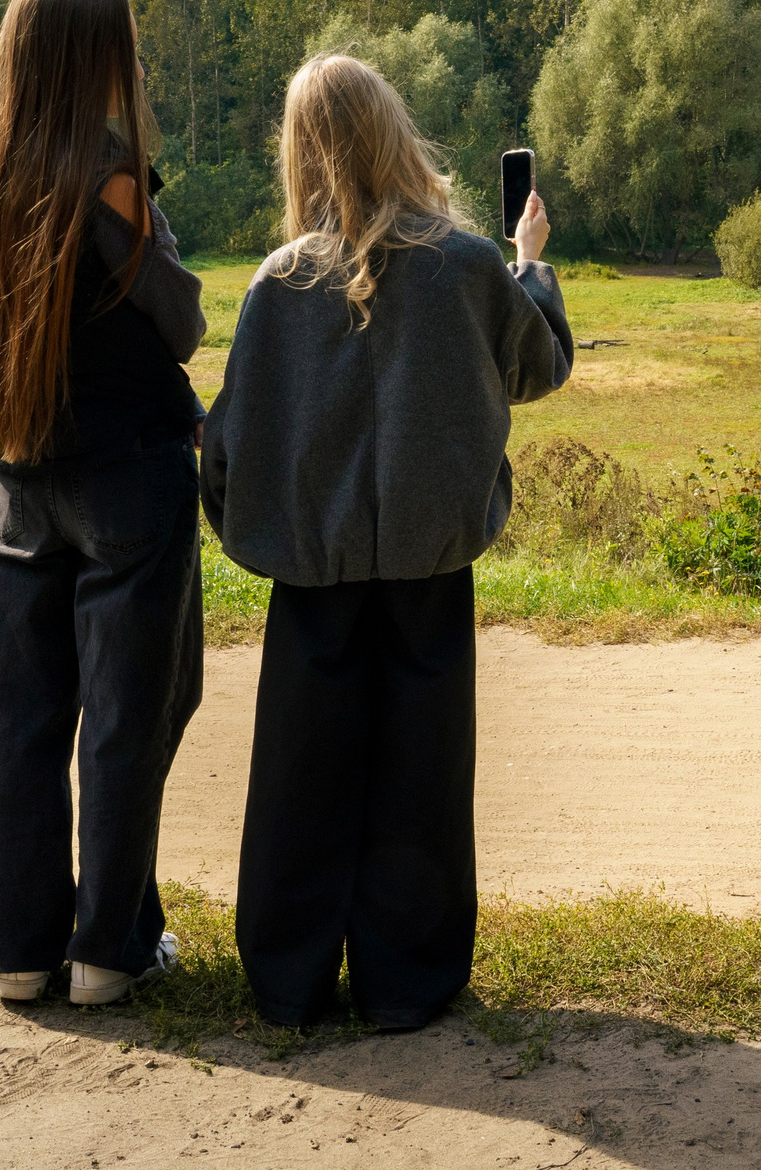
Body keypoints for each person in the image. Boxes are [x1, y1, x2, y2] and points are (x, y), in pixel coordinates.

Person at [201, 53, 575, 1030]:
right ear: (394, 134)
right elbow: (540, 369)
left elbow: (230, 440)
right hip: (429, 563)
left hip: (312, 572)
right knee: (422, 776)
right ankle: (405, 983)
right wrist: (531, 262)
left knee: (299, 773)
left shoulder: (279, 282)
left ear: (303, 153)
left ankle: (287, 976)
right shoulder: (465, 265)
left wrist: (257, 521)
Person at [0, 0, 208, 1008]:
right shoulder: (110, 171)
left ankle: (22, 953)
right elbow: (180, 321)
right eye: (123, 44)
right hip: (129, 479)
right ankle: (108, 952)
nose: (134, 63)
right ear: (97, 56)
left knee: (24, 728)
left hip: (17, 488)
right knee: (134, 717)